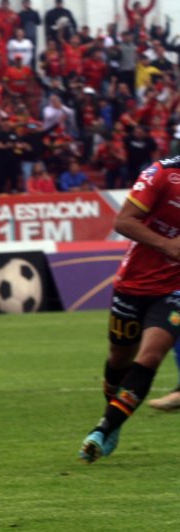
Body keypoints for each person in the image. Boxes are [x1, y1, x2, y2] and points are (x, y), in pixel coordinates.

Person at [78, 156, 180, 463]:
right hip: (133, 285)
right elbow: (123, 221)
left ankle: (103, 428)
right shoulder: (162, 174)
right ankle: (114, 420)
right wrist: (167, 245)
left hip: (174, 290)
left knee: (150, 355)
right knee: (118, 359)